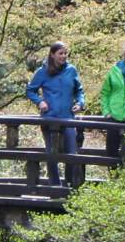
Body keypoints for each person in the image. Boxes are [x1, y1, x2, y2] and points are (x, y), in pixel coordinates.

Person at [25, 41, 84, 185]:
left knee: (71, 153)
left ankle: (70, 186)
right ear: (52, 55)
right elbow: (30, 90)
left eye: (65, 53)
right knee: (52, 154)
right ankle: (55, 187)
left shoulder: (71, 70)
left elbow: (79, 90)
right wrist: (40, 102)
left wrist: (80, 103)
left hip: (68, 118)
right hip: (50, 118)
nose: (63, 56)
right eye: (60, 53)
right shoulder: (43, 72)